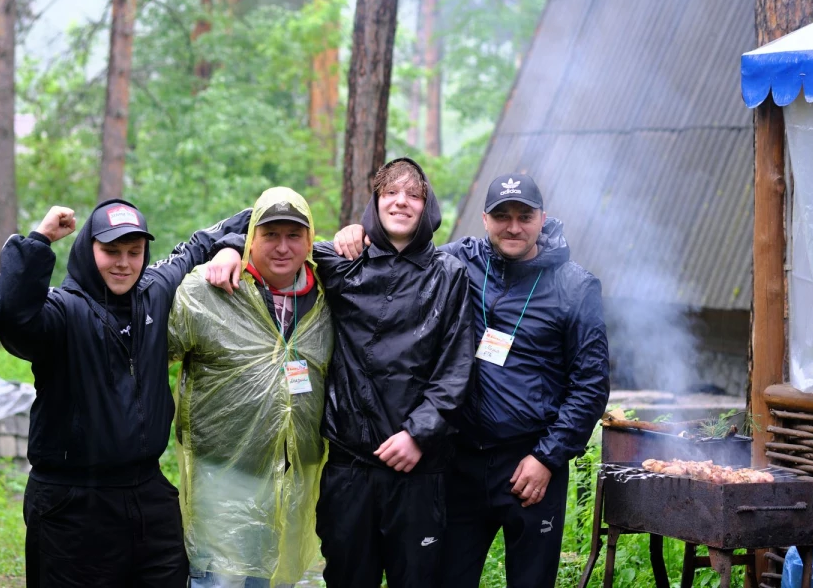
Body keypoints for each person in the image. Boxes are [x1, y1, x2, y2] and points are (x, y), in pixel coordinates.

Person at [207, 158, 475, 588]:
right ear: (375, 201)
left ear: (427, 205)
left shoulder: (449, 274)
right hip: (350, 468)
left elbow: (457, 366)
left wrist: (419, 434)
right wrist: (227, 246)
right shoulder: (342, 259)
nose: (400, 202)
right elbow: (282, 240)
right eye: (390, 192)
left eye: (412, 194)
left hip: (420, 469)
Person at [334, 173, 610, 586]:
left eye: (524, 216)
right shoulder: (457, 262)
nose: (513, 226)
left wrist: (548, 457)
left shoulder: (575, 286)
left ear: (543, 218)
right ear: (484, 219)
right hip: (457, 462)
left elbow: (590, 385)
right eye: (502, 216)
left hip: (529, 463)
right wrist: (360, 231)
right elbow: (404, 249)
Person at [0, 199, 249, 588]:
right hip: (71, 503)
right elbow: (9, 312)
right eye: (110, 251)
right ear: (87, 250)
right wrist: (40, 240)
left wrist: (231, 246)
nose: (124, 262)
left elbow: (217, 233)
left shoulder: (155, 291)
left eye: (134, 251)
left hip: (147, 494)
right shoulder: (60, 313)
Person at [168, 187, 334, 588]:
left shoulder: (330, 297)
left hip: (296, 473)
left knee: (275, 577)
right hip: (223, 473)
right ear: (250, 240)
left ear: (310, 241)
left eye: (293, 235)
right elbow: (147, 348)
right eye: (270, 234)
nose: (282, 247)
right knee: (219, 579)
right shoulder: (210, 290)